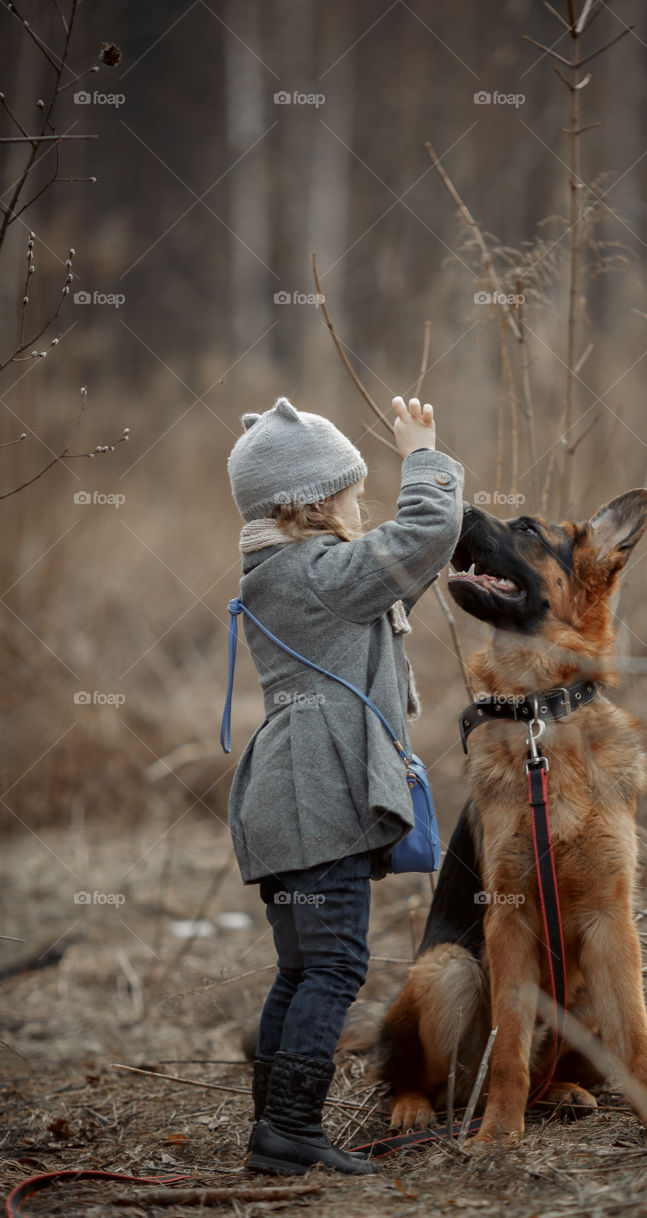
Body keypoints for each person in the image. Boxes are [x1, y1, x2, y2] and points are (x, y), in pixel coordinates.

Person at [225, 393, 464, 1175]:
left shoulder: (286, 574)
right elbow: (423, 534)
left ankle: (274, 1129)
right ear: (314, 504)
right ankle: (291, 1130)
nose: (363, 505)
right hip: (314, 801)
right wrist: (421, 455)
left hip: (288, 800)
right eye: (354, 491)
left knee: (303, 968)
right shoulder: (323, 573)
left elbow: (402, 570)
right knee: (333, 968)